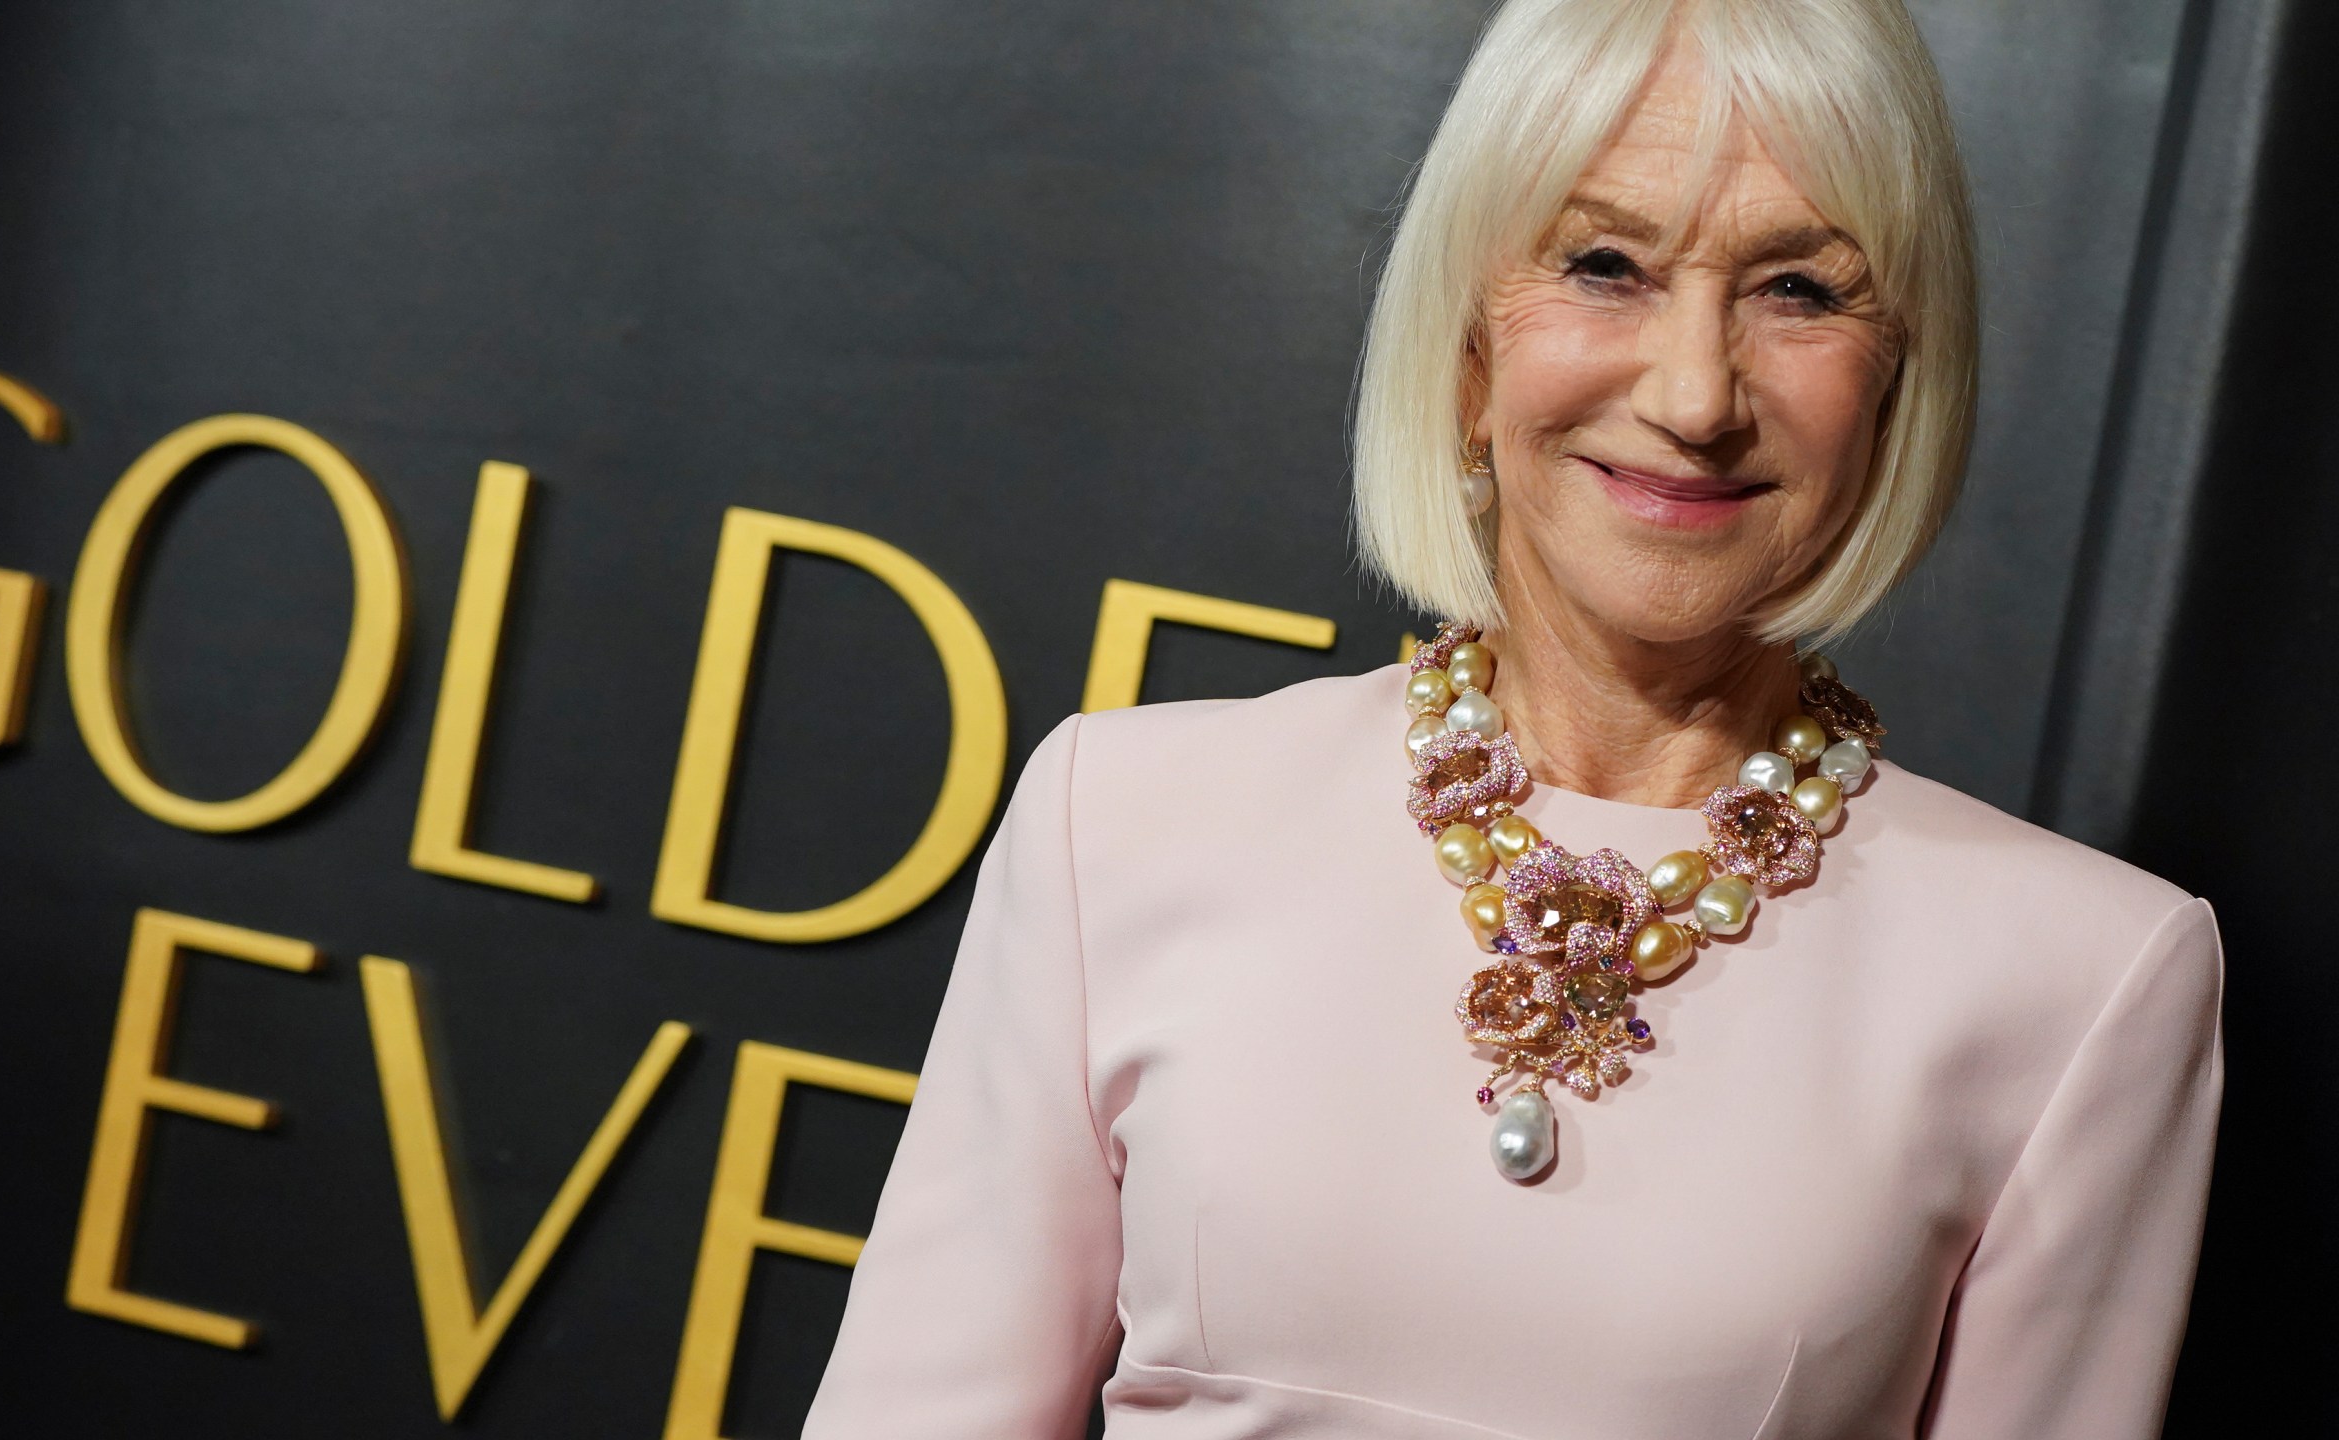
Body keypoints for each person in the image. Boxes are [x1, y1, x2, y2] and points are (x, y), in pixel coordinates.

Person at [803, 0, 2222, 1434]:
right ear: (1469, 347)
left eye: (1799, 290)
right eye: (1605, 264)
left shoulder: (2090, 979)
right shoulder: (1117, 821)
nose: (1693, 394)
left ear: (1898, 377)